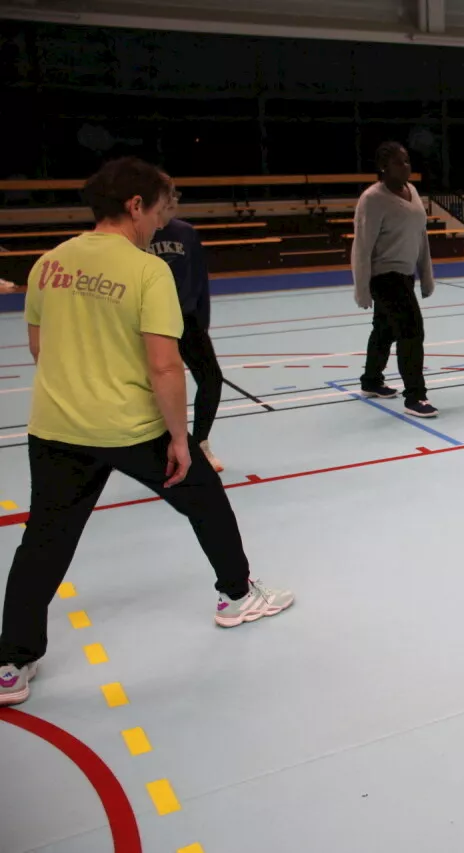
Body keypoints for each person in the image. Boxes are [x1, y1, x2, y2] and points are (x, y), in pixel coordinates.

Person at [0, 157, 293, 707]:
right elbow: (164, 367)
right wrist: (181, 441)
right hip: (131, 426)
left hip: (56, 427)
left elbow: (40, 350)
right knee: (205, 499)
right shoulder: (145, 270)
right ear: (136, 205)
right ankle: (236, 596)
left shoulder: (48, 264)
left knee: (44, 540)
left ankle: (10, 662)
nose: (163, 222)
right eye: (160, 210)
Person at [352, 141, 437, 418]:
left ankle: (371, 381)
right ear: (383, 167)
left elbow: (421, 236)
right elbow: (362, 246)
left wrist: (426, 275)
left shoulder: (412, 191)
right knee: (412, 331)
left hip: (405, 274)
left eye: (407, 161)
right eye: (399, 162)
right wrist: (362, 288)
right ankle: (415, 396)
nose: (406, 166)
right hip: (384, 276)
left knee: (385, 329)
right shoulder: (373, 199)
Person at [147, 180, 225, 472]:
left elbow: (200, 279)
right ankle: (157, 448)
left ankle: (201, 442)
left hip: (187, 320)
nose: (171, 203)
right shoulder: (137, 236)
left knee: (211, 379)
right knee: (155, 387)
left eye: (174, 198)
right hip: (152, 324)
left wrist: (202, 320)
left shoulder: (186, 233)